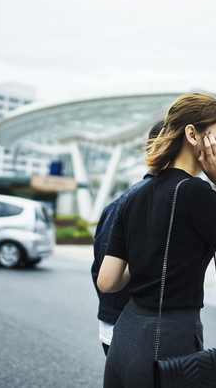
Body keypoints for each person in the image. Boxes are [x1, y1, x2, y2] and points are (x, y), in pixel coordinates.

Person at [97, 92, 216, 388]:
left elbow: (108, 282)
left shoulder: (135, 195)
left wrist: (151, 259)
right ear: (192, 134)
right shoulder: (195, 193)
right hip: (169, 336)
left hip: (126, 335)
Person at [91, 120, 165, 356]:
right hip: (128, 328)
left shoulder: (168, 200)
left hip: (144, 328)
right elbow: (107, 276)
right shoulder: (133, 203)